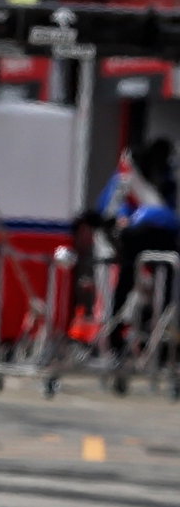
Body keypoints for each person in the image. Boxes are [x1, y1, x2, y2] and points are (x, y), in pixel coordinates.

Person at [97, 139, 179, 353]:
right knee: (126, 284)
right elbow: (112, 210)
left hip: (156, 240)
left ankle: (154, 334)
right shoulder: (127, 178)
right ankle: (115, 335)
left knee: (157, 287)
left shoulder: (165, 180)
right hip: (133, 238)